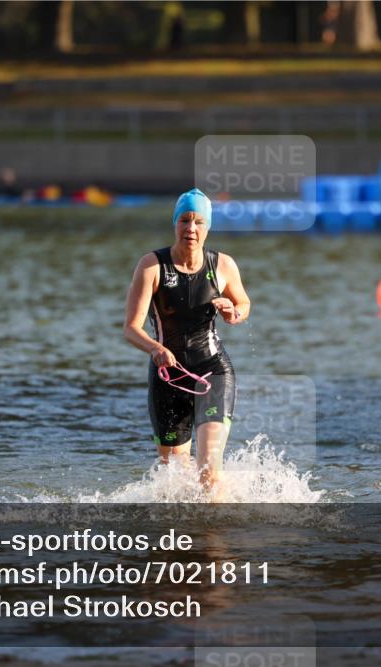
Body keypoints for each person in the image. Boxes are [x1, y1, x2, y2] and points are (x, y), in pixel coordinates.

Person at [123, 188, 251, 498]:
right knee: (176, 481)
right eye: (184, 221)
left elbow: (244, 303)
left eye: (198, 222)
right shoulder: (152, 266)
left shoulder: (223, 265)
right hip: (169, 376)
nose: (191, 229)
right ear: (175, 224)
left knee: (209, 470)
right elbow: (131, 328)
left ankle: (215, 541)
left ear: (207, 227)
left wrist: (233, 312)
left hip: (213, 371)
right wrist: (155, 348)